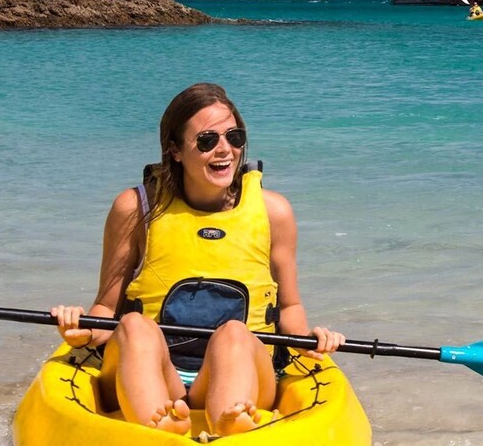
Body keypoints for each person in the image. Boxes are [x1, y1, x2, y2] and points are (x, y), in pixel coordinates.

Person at [51, 83, 344, 437]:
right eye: (207, 140)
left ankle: (229, 419)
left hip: (241, 370)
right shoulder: (135, 209)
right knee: (133, 326)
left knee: (235, 334)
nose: (225, 150)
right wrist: (81, 330)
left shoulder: (274, 211)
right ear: (174, 150)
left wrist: (310, 341)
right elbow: (105, 308)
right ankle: (158, 428)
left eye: (234, 137)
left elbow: (290, 307)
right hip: (154, 369)